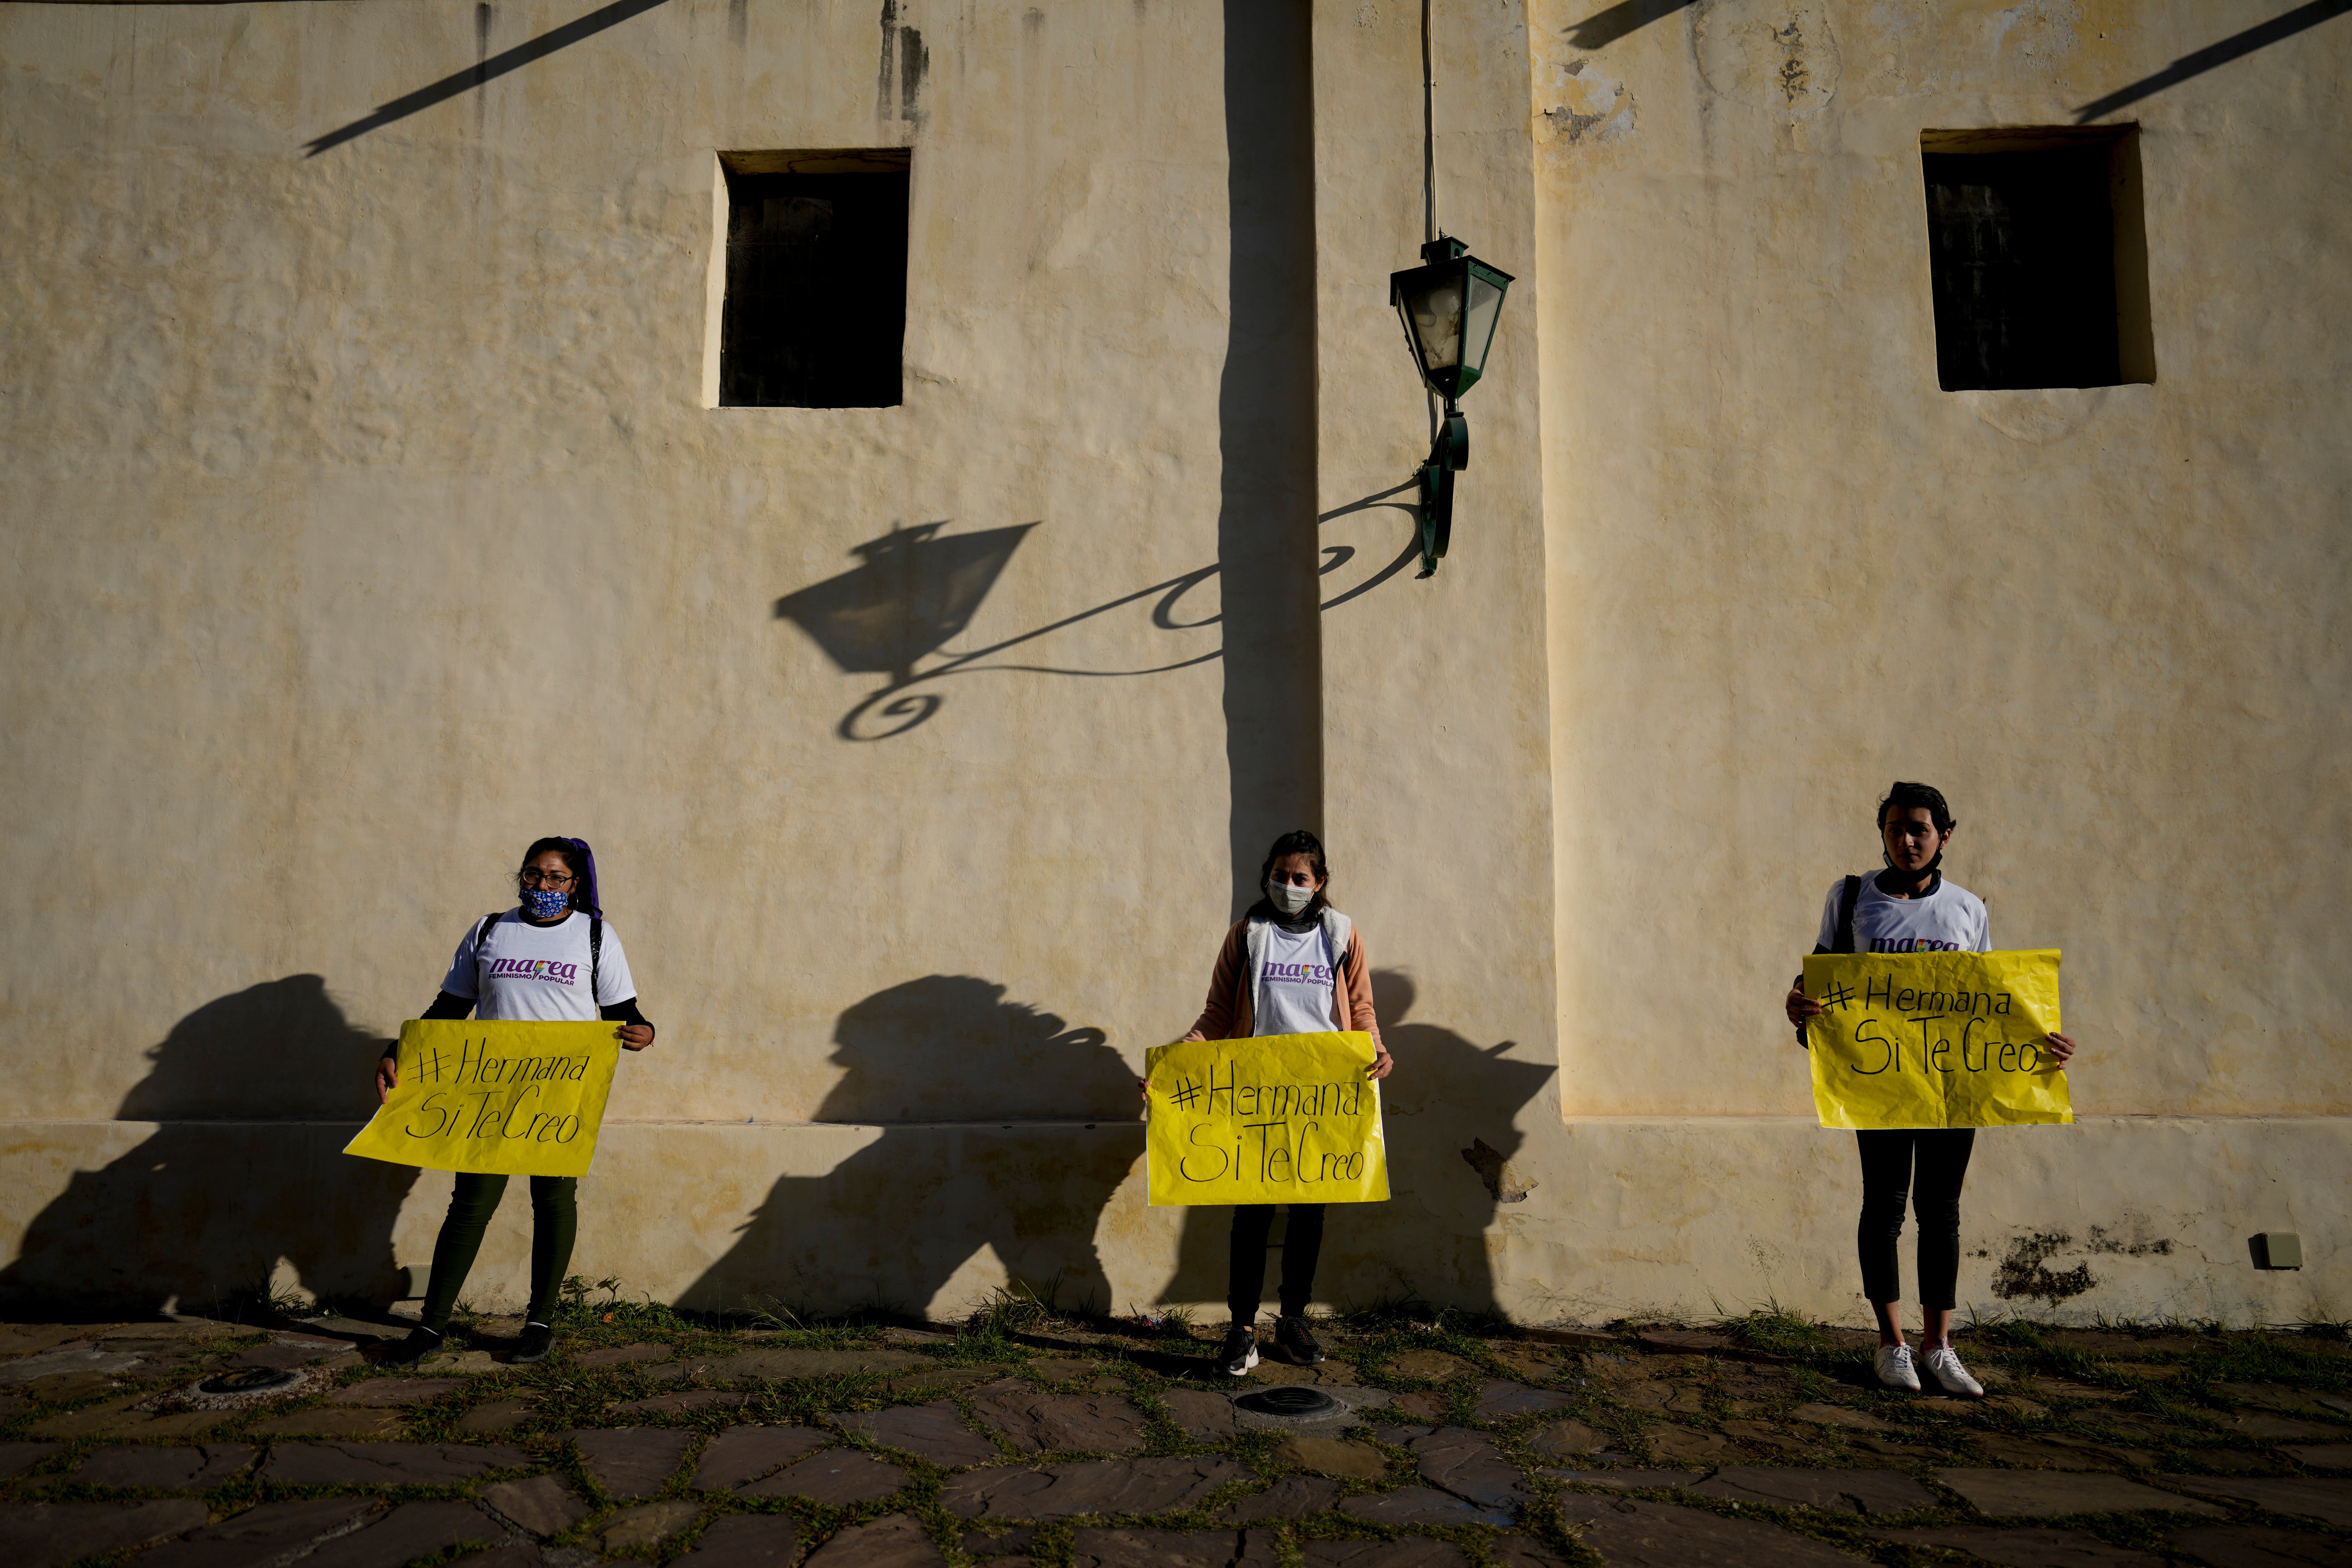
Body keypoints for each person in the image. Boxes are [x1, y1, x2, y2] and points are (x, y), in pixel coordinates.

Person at [1784, 782, 2075, 1396]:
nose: (1907, 840)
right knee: (1884, 1209)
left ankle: (1939, 1346)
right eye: (1895, 829)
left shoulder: (1968, 909)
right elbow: (1822, 973)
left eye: (1919, 829)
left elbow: (1991, 1002)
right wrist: (1798, 1001)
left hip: (1951, 1087)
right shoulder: (1852, 898)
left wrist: (2040, 1045)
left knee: (1940, 1212)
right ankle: (1890, 1345)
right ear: (1883, 835)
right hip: (1877, 1082)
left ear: (1946, 835)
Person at [374, 838, 656, 1366]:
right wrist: (399, 1051)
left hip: (559, 1091)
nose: (543, 887)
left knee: (553, 1203)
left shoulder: (594, 935)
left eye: (556, 878)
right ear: (521, 878)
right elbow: (450, 1006)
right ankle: (430, 1327)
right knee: (470, 1205)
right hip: (489, 1091)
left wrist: (643, 1031)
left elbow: (624, 1010)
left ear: (576, 884)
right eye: (533, 875)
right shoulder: (490, 930)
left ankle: (539, 1323)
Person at [1159, 829, 1392, 1377]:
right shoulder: (1247, 936)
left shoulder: (1341, 935)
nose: (1288, 886)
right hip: (1255, 1099)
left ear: (1320, 883)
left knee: (1310, 1214)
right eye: (1280, 876)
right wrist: (1174, 1066)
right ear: (1268, 875)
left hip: (1323, 1102)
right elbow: (1218, 1012)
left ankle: (1293, 1321)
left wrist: (1378, 1050)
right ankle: (1241, 1331)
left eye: (1300, 878)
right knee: (1252, 1216)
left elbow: (1361, 1007)